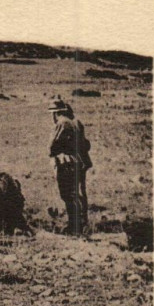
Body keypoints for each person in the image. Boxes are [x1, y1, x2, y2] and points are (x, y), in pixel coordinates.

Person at [48, 96, 92, 235]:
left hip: (66, 163)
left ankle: (74, 227)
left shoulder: (62, 123)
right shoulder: (75, 123)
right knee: (75, 195)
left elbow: (52, 147)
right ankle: (78, 224)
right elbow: (85, 144)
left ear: (55, 113)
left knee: (68, 195)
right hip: (76, 162)